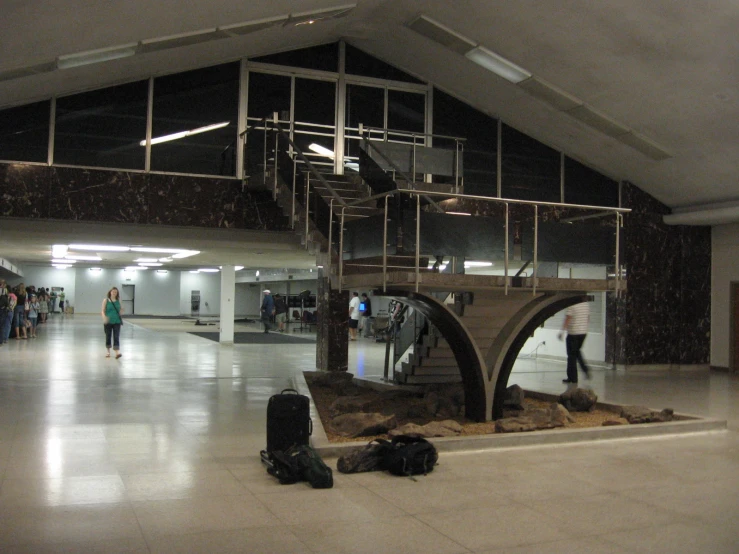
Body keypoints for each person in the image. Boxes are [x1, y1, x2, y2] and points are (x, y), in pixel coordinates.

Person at [559, 301, 591, 384]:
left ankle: (572, 378)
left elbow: (568, 318)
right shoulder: (586, 304)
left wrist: (562, 331)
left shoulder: (572, 304)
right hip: (583, 333)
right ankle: (585, 369)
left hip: (573, 333)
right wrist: (585, 328)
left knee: (571, 356)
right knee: (577, 352)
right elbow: (588, 318)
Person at [102, 287, 124, 358]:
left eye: (116, 292)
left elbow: (121, 309)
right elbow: (103, 310)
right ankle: (108, 351)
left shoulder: (119, 301)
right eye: (113, 292)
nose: (114, 293)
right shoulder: (106, 300)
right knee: (108, 336)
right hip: (108, 321)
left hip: (117, 321)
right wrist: (104, 317)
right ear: (110, 292)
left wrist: (121, 312)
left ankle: (117, 352)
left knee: (116, 336)